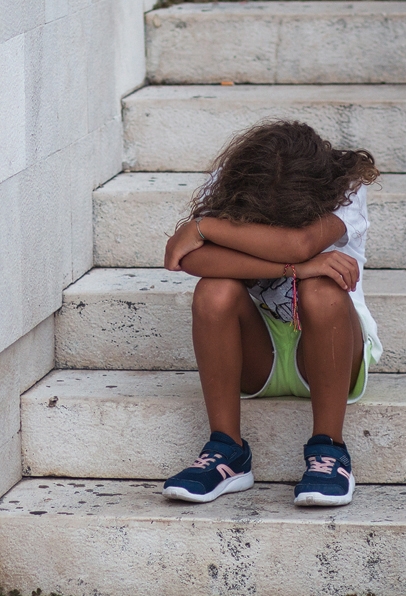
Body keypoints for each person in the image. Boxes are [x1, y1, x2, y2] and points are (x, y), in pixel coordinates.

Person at [160, 120, 381, 507]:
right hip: (256, 351)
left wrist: (204, 227)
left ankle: (330, 450)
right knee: (214, 290)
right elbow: (186, 259)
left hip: (332, 349)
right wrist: (293, 269)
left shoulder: (345, 185)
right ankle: (227, 451)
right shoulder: (233, 183)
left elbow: (301, 243)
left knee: (322, 290)